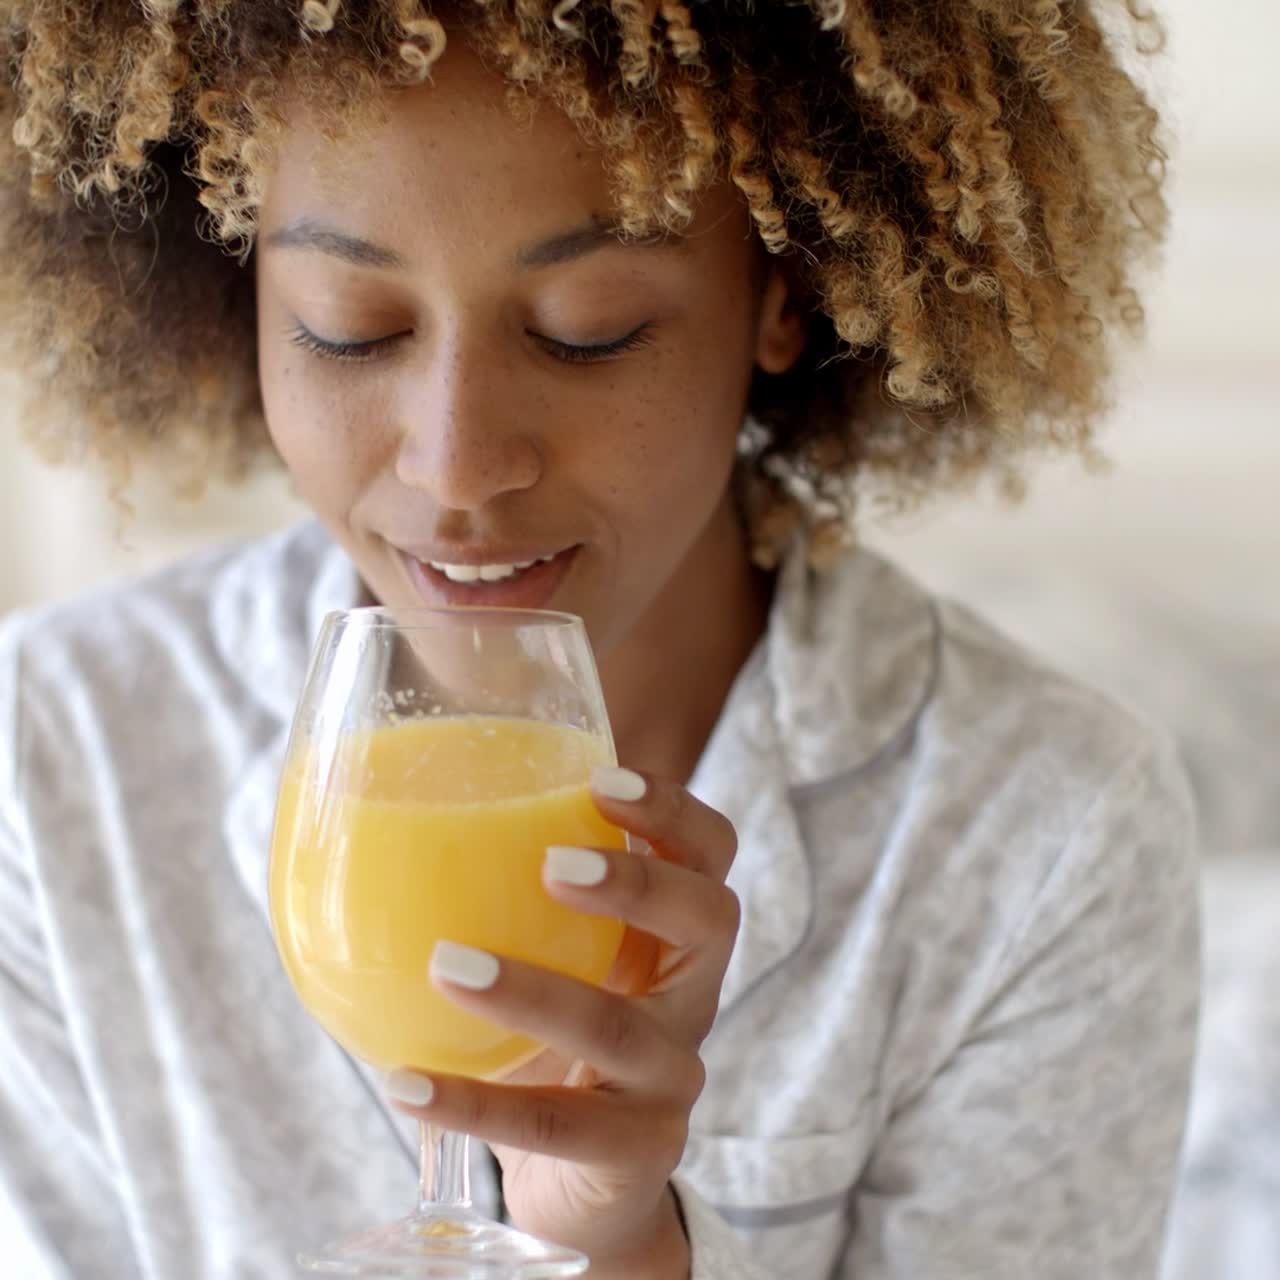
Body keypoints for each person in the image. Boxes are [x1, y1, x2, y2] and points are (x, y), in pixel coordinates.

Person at [0, 3, 1199, 1277]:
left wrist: (625, 1247)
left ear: (780, 298)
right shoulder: (50, 763)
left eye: (587, 329)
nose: (457, 465)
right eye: (350, 324)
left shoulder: (1049, 836)